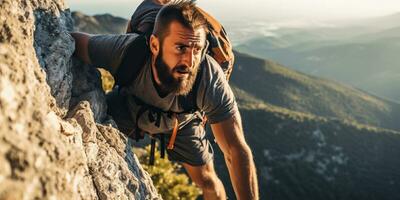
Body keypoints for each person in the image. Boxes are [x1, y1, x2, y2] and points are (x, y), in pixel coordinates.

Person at [71, 1, 258, 199]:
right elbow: (74, 42)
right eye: (180, 48)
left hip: (181, 123)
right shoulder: (127, 52)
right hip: (130, 106)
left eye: (197, 49)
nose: (190, 61)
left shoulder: (208, 78)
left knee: (208, 181)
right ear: (154, 45)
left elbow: (235, 149)